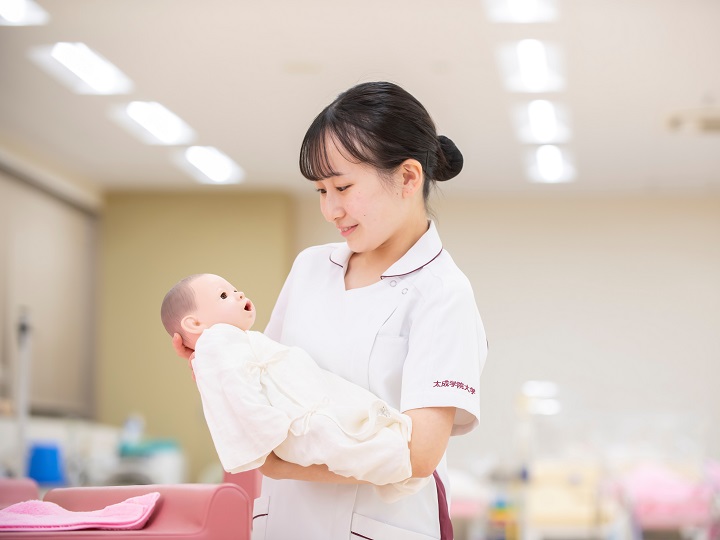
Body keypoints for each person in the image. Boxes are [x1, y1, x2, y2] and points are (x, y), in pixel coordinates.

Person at [172, 81, 487, 540]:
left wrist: (279, 463)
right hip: (283, 524)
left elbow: (419, 455)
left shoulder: (443, 292)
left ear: (408, 178)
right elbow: (267, 385)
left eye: (342, 186)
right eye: (321, 190)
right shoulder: (310, 268)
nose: (330, 209)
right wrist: (216, 360)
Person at [160, 273, 429, 502]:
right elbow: (237, 389)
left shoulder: (238, 340)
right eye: (223, 296)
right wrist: (267, 426)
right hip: (298, 423)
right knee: (355, 445)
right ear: (195, 324)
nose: (238, 294)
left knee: (356, 438)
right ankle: (398, 462)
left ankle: (397, 460)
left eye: (234, 289)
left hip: (308, 412)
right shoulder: (216, 340)